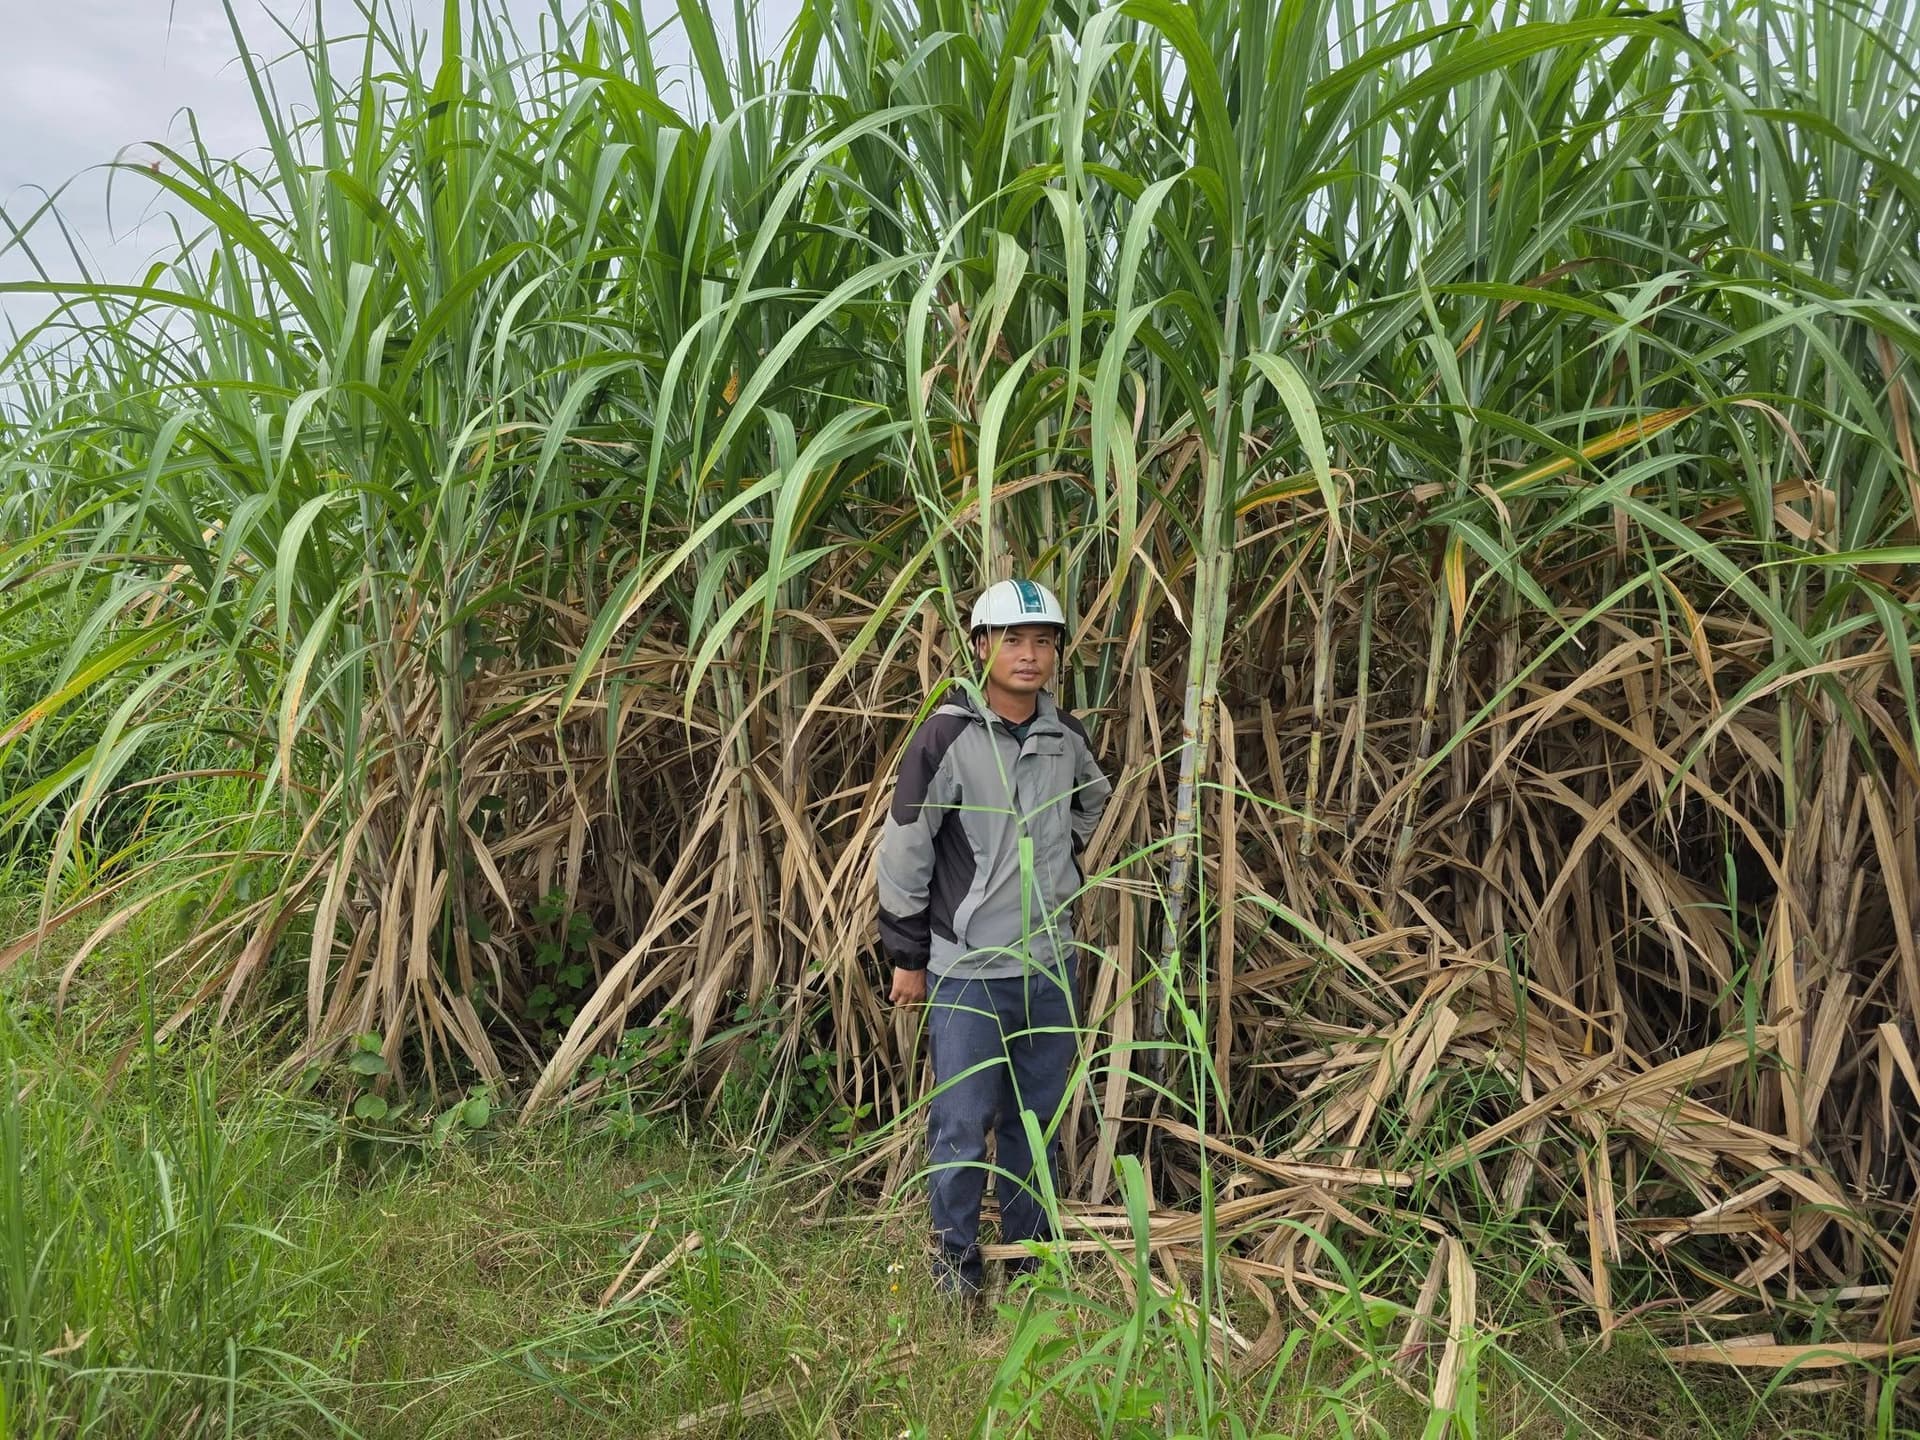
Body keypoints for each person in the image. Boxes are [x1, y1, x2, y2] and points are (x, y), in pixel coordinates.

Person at [875, 580, 1113, 1297]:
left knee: (1034, 1121)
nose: (1029, 655)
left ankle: (1029, 1262)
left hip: (1049, 965)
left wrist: (1060, 868)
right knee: (962, 1123)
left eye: (1043, 641)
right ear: (980, 647)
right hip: (970, 969)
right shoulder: (947, 734)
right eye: (1011, 639)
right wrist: (908, 958)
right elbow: (906, 849)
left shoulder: (1063, 736)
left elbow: (1096, 802)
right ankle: (955, 1272)